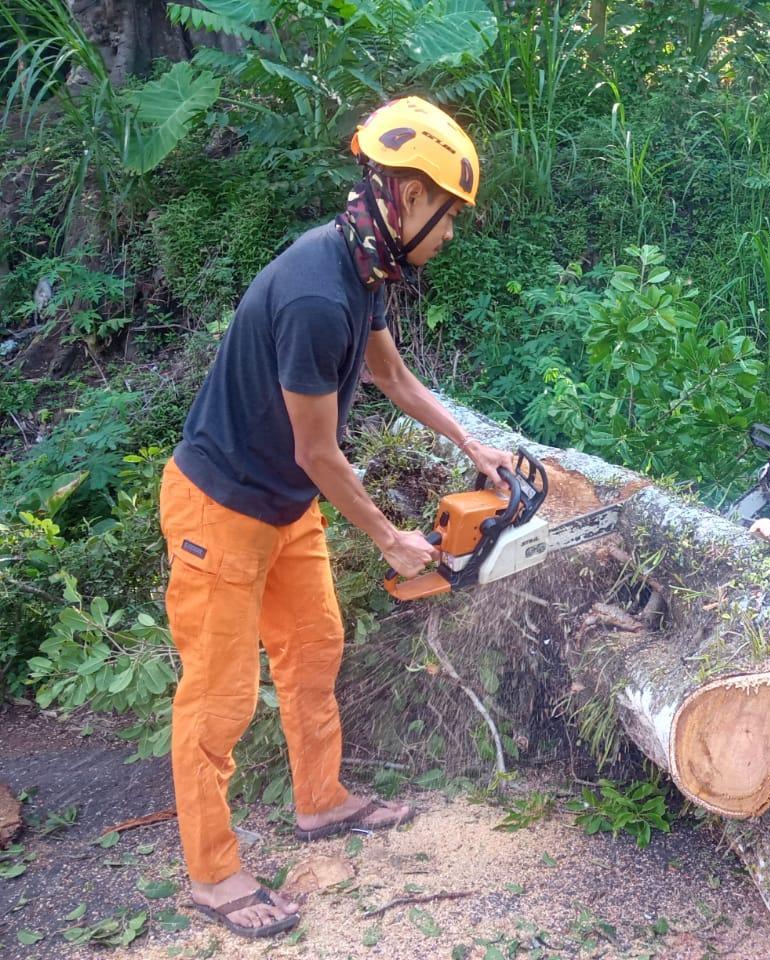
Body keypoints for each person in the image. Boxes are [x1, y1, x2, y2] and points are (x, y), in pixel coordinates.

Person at [158, 97, 512, 939]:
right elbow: (320, 452)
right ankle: (213, 876)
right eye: (449, 216)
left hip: (285, 508)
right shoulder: (318, 292)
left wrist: (475, 443)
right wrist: (391, 537)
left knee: (314, 652)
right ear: (409, 197)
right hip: (223, 506)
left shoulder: (365, 270)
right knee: (217, 700)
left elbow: (394, 379)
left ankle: (319, 802)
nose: (451, 235)